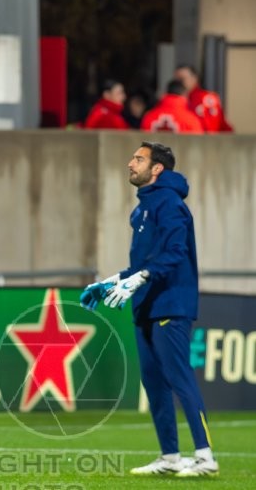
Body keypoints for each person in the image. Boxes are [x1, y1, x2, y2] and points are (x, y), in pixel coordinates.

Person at [81, 142, 217, 477]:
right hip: (147, 304)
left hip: (171, 302)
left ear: (157, 169)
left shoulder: (170, 203)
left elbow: (174, 252)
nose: (131, 163)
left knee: (179, 378)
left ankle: (205, 458)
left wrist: (140, 277)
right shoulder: (142, 208)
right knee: (154, 383)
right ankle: (170, 457)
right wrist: (112, 281)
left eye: (139, 159)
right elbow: (142, 263)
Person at [174, 65, 233, 133]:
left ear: (194, 79)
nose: (178, 84)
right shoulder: (175, 100)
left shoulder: (205, 98)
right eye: (176, 81)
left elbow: (210, 129)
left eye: (182, 79)